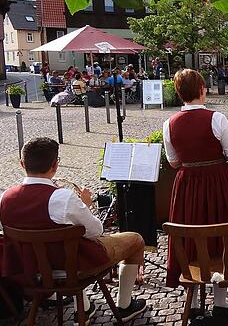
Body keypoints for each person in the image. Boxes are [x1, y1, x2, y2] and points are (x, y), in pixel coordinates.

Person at [0, 138, 147, 321]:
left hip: (31, 270)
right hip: (72, 267)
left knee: (64, 247)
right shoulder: (63, 198)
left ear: (22, 164)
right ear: (55, 165)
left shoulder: (5, 197)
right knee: (135, 239)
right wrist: (86, 204)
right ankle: (124, 305)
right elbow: (96, 231)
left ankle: (85, 307)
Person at [162, 69, 228, 315]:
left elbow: (173, 162)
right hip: (218, 182)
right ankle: (221, 302)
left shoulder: (168, 124)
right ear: (202, 90)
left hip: (187, 185)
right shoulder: (216, 119)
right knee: (221, 232)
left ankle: (192, 304)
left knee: (189, 234)